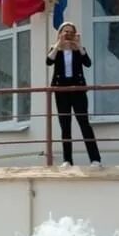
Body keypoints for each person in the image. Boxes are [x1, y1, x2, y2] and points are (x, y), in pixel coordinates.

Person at [46, 21, 102, 167]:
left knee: (84, 124)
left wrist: (79, 46)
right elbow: (48, 61)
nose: (68, 34)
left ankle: (95, 159)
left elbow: (88, 63)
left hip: (77, 90)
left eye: (71, 32)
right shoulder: (55, 49)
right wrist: (58, 45)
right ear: (60, 34)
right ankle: (67, 160)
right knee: (65, 125)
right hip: (61, 90)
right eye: (65, 31)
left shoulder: (78, 49)